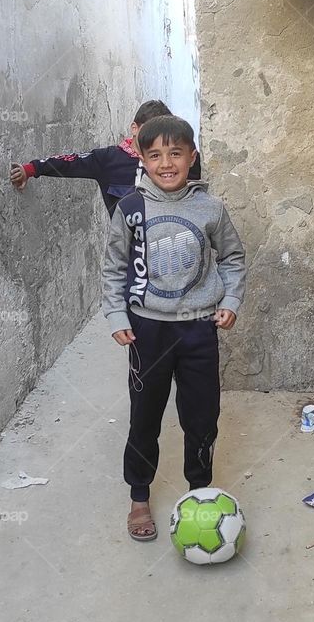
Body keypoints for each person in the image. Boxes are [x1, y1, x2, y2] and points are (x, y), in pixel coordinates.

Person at [102, 114, 246, 542]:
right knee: (145, 416)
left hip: (199, 330)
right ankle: (139, 496)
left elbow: (233, 258)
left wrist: (231, 301)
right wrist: (116, 315)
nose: (166, 163)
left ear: (191, 157)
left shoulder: (211, 209)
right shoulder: (131, 209)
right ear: (143, 160)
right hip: (148, 331)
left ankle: (198, 493)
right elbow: (114, 267)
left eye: (176, 153)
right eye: (156, 155)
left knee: (201, 418)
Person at [9, 100, 202, 217]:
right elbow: (70, 162)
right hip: (130, 253)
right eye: (148, 131)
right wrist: (31, 169)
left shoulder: (178, 162)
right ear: (134, 128)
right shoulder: (109, 159)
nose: (153, 140)